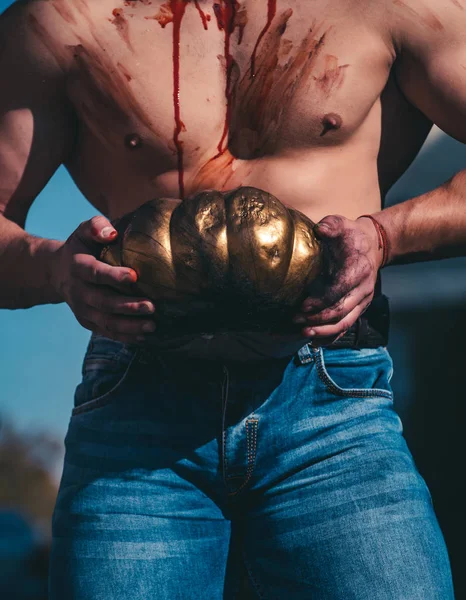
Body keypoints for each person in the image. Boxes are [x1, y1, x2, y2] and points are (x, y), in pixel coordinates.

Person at [0, 0, 464, 597]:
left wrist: (383, 236)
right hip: (139, 419)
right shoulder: (63, 21)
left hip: (331, 409)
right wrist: (56, 269)